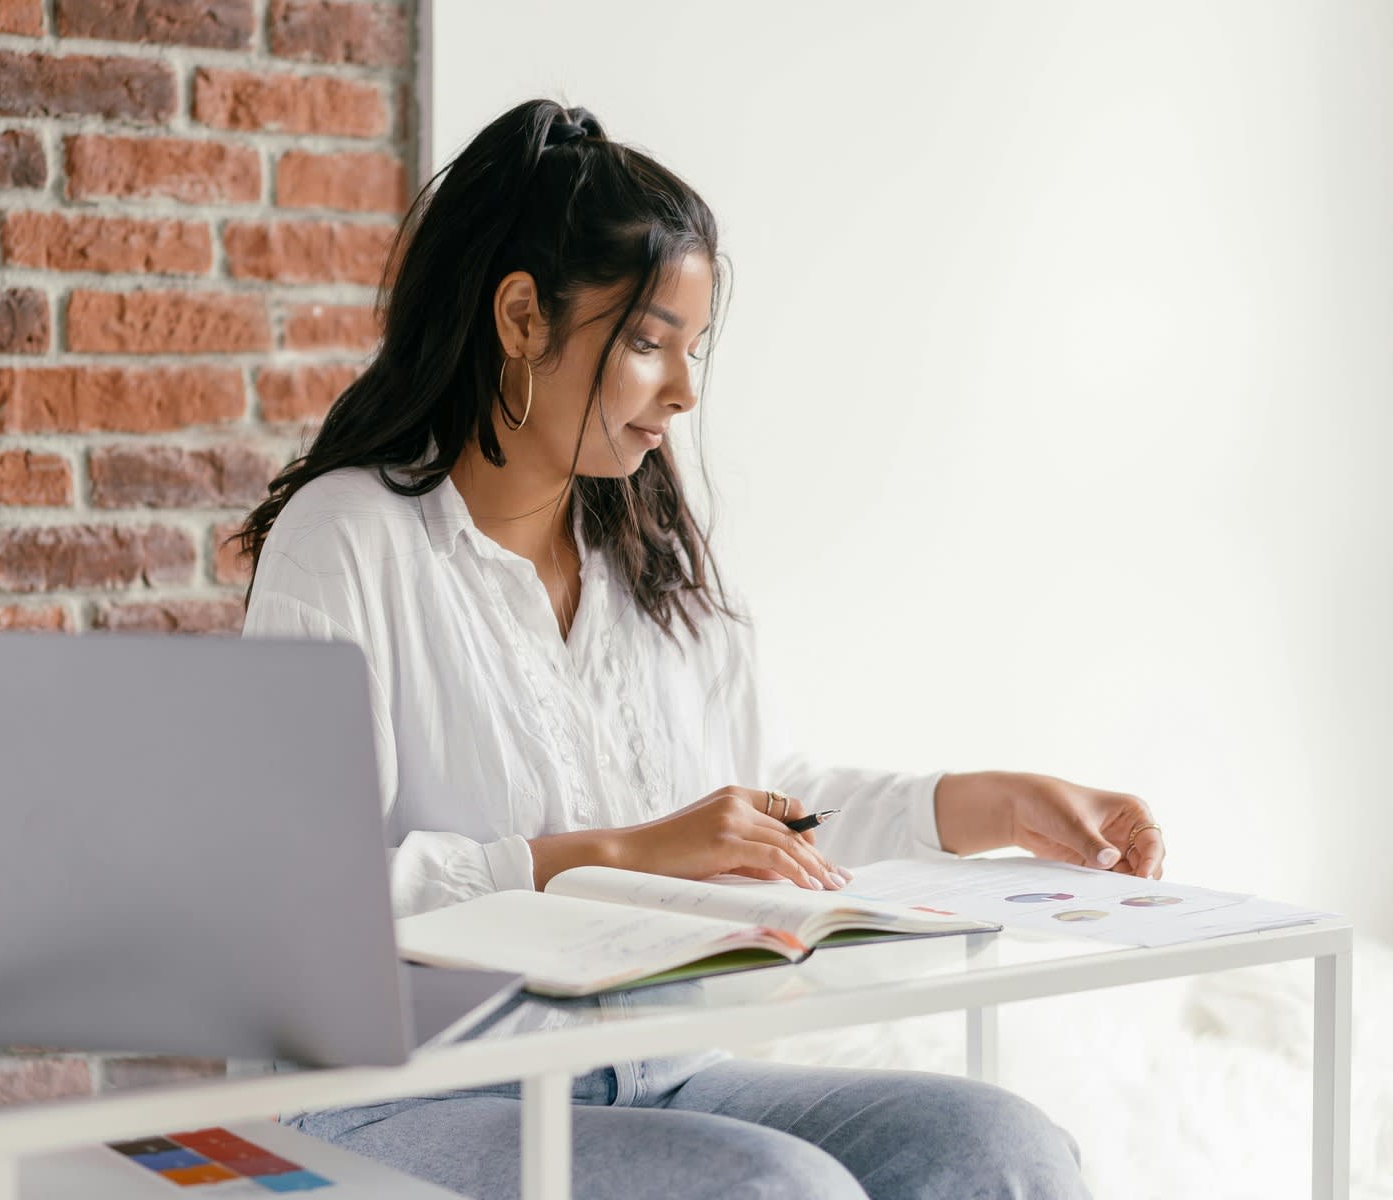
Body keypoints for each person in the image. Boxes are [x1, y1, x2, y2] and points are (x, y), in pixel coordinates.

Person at [228, 98, 1164, 1200]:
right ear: (522, 317)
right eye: (646, 343)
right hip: (405, 1096)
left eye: (693, 349)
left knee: (998, 1147)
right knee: (775, 1191)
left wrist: (984, 805)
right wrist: (620, 853)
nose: (683, 391)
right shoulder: (348, 543)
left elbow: (754, 810)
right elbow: (294, 906)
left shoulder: (648, 556)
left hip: (658, 1073)